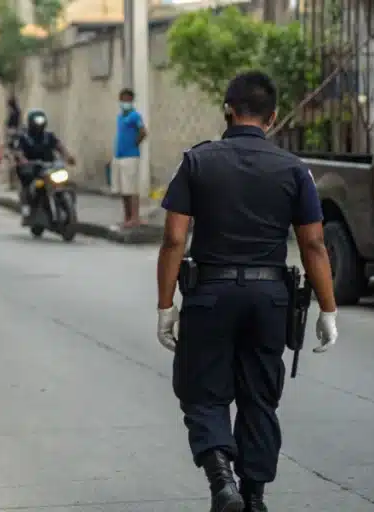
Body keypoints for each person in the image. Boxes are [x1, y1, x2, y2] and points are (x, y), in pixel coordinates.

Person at [156, 71, 339, 512]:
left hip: (210, 293)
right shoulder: (295, 170)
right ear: (273, 117)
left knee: (202, 390)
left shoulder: (197, 162)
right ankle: (254, 496)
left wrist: (165, 306)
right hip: (269, 298)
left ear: (227, 110)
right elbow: (314, 244)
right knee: (260, 397)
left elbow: (174, 240)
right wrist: (328, 310)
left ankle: (222, 478)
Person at [13, 109, 75, 219]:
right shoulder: (24, 137)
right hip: (32, 168)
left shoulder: (49, 136)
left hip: (49, 166)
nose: (39, 125)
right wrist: (23, 160)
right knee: (29, 184)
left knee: (65, 183)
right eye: (37, 122)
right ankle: (26, 205)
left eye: (41, 122)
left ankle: (67, 208)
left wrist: (68, 157)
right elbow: (18, 151)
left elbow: (59, 146)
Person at [112, 88, 149, 228]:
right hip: (119, 156)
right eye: (122, 99)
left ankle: (135, 217)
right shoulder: (120, 117)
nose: (124, 102)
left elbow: (143, 132)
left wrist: (134, 144)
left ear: (131, 101)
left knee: (132, 188)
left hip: (130, 156)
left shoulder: (135, 116)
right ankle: (127, 217)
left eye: (127, 99)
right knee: (123, 189)